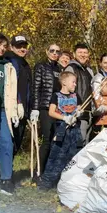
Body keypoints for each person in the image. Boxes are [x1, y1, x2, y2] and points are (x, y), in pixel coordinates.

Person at [37, 71, 82, 190]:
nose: (75, 85)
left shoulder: (76, 96)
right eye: (73, 82)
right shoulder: (55, 96)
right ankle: (47, 182)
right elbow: (51, 112)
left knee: (74, 156)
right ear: (64, 82)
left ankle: (69, 183)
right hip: (62, 129)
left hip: (74, 130)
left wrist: (78, 113)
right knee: (56, 156)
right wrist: (64, 117)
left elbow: (79, 108)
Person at [0, 34, 20, 195]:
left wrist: (14, 111)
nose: (1, 48)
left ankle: (5, 179)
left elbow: (13, 91)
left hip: (2, 110)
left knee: (6, 142)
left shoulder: (8, 67)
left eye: (3, 46)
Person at [31, 44, 62, 174]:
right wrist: (35, 108)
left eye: (57, 51)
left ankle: (49, 171)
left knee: (56, 140)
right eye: (52, 51)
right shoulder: (41, 66)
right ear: (46, 51)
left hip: (57, 108)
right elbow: (36, 87)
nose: (55, 53)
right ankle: (39, 171)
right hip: (44, 107)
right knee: (47, 139)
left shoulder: (59, 69)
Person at [4, 35, 32, 154]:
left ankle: (8, 171)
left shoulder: (25, 64)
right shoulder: (9, 61)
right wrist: (17, 103)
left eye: (24, 46)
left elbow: (28, 88)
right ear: (11, 47)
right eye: (18, 46)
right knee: (9, 142)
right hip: (12, 109)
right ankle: (5, 172)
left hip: (23, 110)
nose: (22, 49)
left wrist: (30, 109)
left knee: (17, 142)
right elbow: (9, 86)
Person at [65, 43, 94, 145]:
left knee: (86, 144)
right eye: (80, 52)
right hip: (77, 114)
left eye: (85, 52)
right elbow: (67, 91)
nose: (83, 55)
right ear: (74, 54)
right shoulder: (71, 68)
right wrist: (73, 109)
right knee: (77, 144)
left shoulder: (89, 70)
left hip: (89, 113)